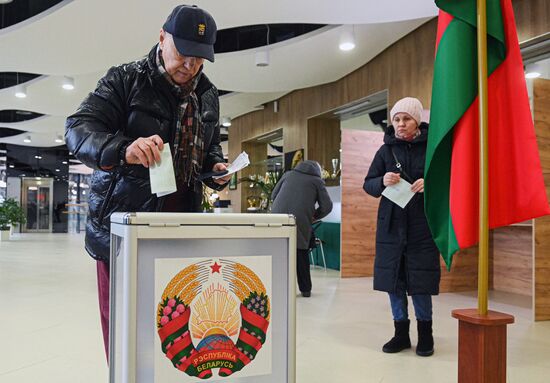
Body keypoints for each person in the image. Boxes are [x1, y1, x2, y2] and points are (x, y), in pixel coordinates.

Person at [65, 5, 229, 357]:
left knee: (173, 321)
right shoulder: (124, 80)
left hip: (180, 227)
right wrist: (123, 149)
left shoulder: (207, 94)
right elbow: (78, 130)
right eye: (184, 53)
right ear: (162, 38)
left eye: (200, 58)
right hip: (124, 225)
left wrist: (216, 169)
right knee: (123, 325)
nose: (191, 66)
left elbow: (210, 147)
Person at [363, 97, 440, 357]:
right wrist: (382, 181)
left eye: (406, 119)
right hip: (391, 226)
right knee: (394, 281)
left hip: (422, 225)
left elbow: (447, 182)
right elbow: (368, 185)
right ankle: (400, 334)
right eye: (396, 119)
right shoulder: (385, 152)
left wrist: (429, 183)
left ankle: (426, 335)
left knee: (420, 280)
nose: (400, 124)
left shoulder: (431, 148)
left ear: (417, 121)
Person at [271, 160, 333, 297]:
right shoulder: (317, 181)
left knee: (279, 251)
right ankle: (305, 289)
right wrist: (315, 216)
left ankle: (277, 287)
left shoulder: (288, 175)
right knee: (300, 253)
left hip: (277, 217)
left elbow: (273, 195)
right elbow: (327, 206)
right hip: (298, 219)